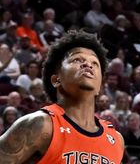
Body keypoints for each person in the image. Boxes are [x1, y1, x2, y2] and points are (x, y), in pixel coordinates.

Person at [0, 30, 125, 163]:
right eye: (77, 59)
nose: (88, 64)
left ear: (100, 86)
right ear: (56, 79)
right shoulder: (40, 125)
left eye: (95, 63)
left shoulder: (116, 140)